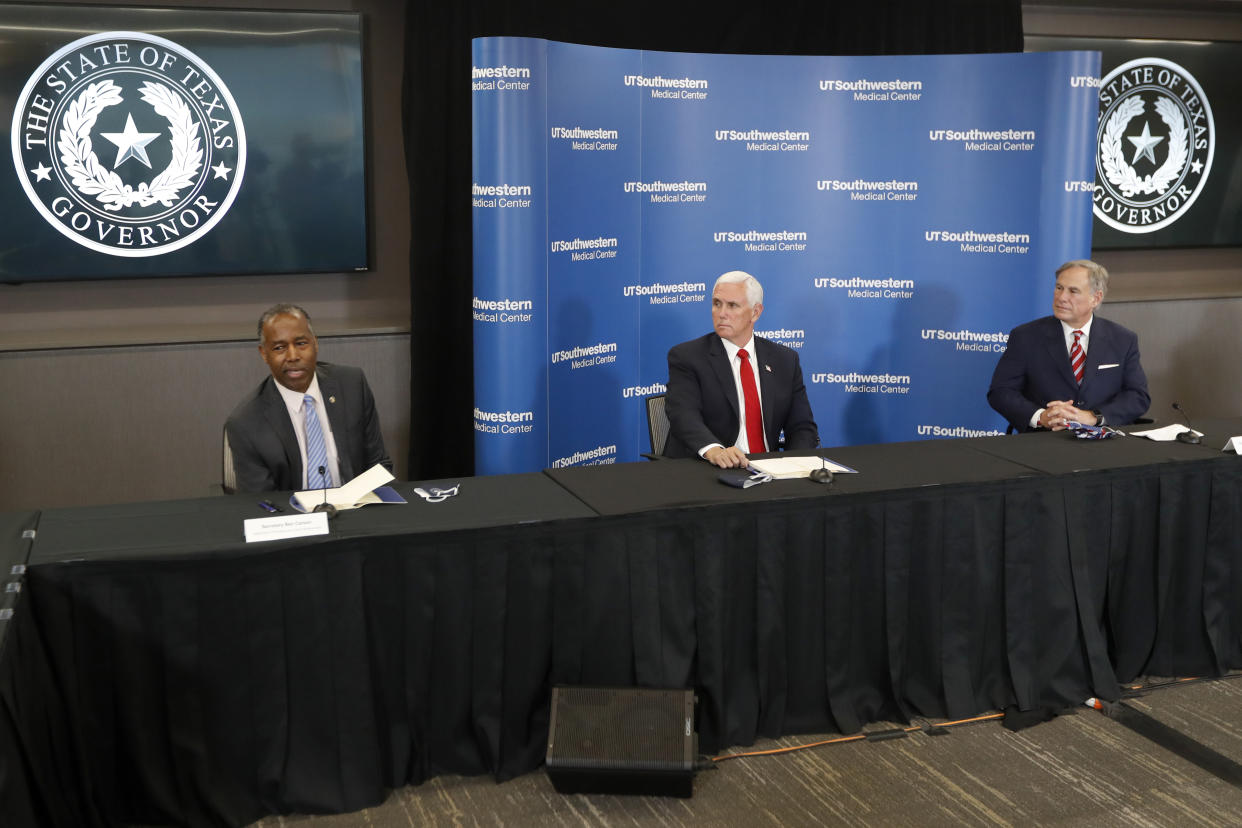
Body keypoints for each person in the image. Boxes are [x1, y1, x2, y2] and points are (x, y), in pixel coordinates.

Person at [225, 303, 392, 493]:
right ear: (264, 354)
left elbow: (378, 465)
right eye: (280, 347)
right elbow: (260, 503)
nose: (293, 356)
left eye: (301, 343)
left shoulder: (352, 385)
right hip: (292, 518)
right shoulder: (246, 422)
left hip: (356, 509)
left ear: (315, 343)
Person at [664, 270, 818, 468]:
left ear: (755, 312)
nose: (721, 313)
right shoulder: (688, 356)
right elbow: (683, 415)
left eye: (732, 306)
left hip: (768, 471)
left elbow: (802, 427)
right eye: (717, 303)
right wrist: (714, 450)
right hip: (708, 469)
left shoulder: (784, 360)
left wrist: (793, 467)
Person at [988, 259, 1150, 433]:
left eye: (1073, 291)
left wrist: (1094, 417)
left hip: (1103, 443)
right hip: (1042, 442)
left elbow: (1137, 396)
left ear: (1096, 298)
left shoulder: (1122, 339)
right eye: (1059, 288)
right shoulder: (1026, 337)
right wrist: (1041, 417)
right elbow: (1001, 392)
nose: (1062, 297)